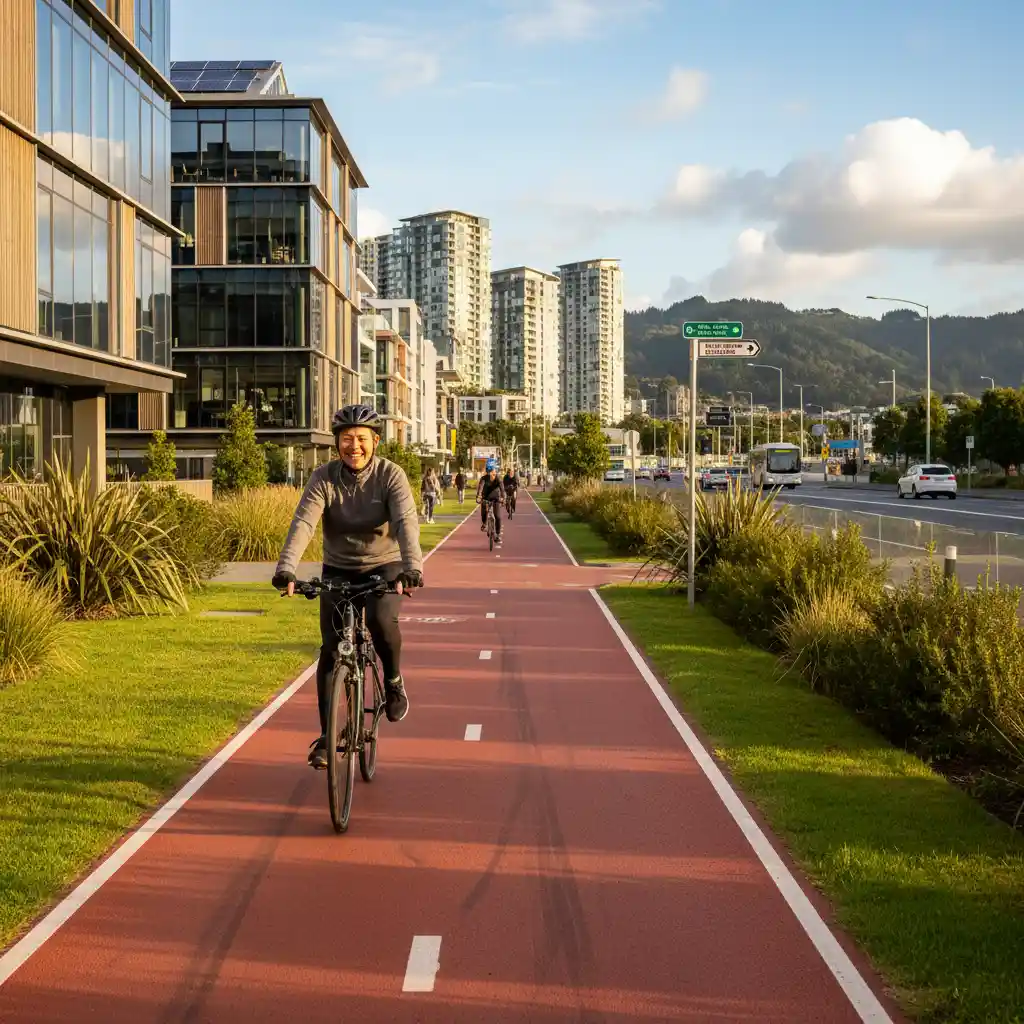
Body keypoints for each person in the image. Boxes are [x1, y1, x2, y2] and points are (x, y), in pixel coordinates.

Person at [272, 405, 424, 770]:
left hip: (383, 566)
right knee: (330, 648)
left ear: (375, 441)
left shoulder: (391, 475)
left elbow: (405, 522)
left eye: (360, 439)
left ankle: (392, 681)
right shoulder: (324, 477)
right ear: (337, 443)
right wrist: (286, 568)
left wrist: (412, 568)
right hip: (338, 569)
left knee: (382, 623)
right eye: (345, 439)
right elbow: (304, 522)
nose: (353, 446)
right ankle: (327, 737)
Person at [476, 459, 505, 544]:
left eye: (492, 471)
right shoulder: (484, 479)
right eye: (489, 471)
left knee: (498, 516)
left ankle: (498, 534)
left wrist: (504, 498)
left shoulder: (498, 479)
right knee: (483, 511)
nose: (491, 473)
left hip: (496, 498)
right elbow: (480, 488)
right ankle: (484, 523)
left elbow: (502, 489)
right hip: (485, 497)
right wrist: (478, 496)